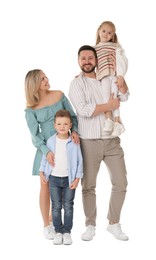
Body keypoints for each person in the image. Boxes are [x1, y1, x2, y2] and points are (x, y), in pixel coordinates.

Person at [68, 45, 129, 241]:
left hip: (112, 140)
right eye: (83, 58)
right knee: (89, 185)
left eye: (90, 58)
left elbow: (124, 97)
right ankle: (90, 224)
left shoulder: (108, 78)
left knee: (121, 182)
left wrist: (124, 86)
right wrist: (108, 106)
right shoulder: (76, 83)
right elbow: (83, 110)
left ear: (96, 60)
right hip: (89, 141)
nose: (87, 61)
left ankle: (114, 223)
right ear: (78, 61)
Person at [24, 70, 79, 240]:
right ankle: (46, 225)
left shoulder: (59, 95)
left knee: (65, 183)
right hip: (46, 149)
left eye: (46, 76)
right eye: (42, 79)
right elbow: (35, 136)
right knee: (45, 186)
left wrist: (75, 131)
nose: (47, 80)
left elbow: (73, 117)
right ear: (34, 84)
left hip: (66, 144)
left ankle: (55, 221)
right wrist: (46, 152)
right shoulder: (30, 108)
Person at [39, 109, 83, 245]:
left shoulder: (74, 142)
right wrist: (41, 171)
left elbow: (79, 161)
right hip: (54, 179)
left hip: (69, 179)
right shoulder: (51, 141)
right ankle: (58, 231)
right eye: (59, 124)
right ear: (54, 125)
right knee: (56, 206)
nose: (62, 127)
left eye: (65, 124)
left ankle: (67, 232)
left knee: (68, 206)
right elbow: (45, 158)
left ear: (70, 125)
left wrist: (77, 178)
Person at [95, 21, 128, 136]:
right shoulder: (94, 49)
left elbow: (123, 61)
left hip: (114, 76)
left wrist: (120, 76)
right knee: (105, 98)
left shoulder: (115, 47)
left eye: (109, 33)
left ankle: (117, 122)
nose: (106, 34)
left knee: (114, 98)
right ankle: (109, 120)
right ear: (99, 31)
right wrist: (81, 74)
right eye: (104, 31)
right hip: (103, 77)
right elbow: (91, 64)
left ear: (113, 35)